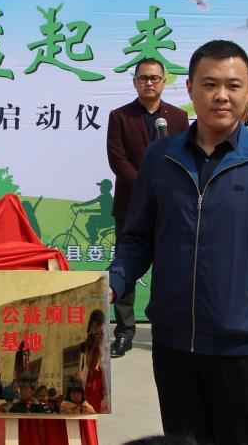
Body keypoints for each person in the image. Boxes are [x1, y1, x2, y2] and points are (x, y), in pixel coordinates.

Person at [109, 40, 248, 445]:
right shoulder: (160, 158)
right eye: (209, 84)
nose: (221, 95)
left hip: (243, 346)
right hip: (173, 343)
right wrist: (113, 282)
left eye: (233, 85)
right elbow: (138, 239)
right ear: (190, 89)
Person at [106, 57, 188, 358]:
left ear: (164, 82)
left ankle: (169, 328)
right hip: (131, 206)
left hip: (170, 208)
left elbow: (185, 158)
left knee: (171, 268)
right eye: (143, 78)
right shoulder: (120, 116)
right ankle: (124, 333)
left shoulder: (178, 118)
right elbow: (118, 160)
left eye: (154, 78)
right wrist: (147, 188)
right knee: (125, 268)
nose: (149, 83)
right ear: (135, 82)